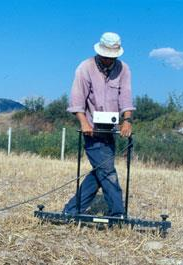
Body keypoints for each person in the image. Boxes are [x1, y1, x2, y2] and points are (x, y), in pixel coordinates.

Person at [63, 32, 135, 217]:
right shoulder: (85, 68)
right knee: (107, 170)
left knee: (99, 172)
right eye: (106, 56)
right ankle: (118, 213)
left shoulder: (124, 69)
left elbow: (126, 97)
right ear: (99, 52)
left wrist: (126, 120)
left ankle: (71, 211)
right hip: (91, 130)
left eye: (113, 57)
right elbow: (77, 98)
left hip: (110, 130)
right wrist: (84, 122)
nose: (109, 60)